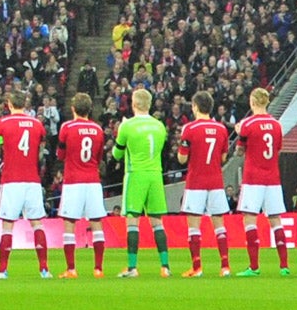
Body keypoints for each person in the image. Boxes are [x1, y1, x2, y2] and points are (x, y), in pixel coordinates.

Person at [0, 86, 49, 280]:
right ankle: (44, 269)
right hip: (32, 180)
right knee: (37, 223)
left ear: (9, 104)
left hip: (11, 180)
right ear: (25, 104)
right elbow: (40, 155)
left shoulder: (1, 124)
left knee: (8, 225)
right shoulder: (37, 125)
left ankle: (2, 270)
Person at [112, 87, 170, 278]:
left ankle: (132, 268)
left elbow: (116, 154)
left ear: (134, 104)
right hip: (155, 175)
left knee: (132, 222)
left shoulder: (128, 126)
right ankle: (165, 267)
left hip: (136, 175)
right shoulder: (159, 126)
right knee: (157, 223)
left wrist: (120, 131)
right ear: (150, 104)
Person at [234, 86, 290, 275]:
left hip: (253, 178)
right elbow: (278, 150)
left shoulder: (248, 124)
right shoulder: (276, 125)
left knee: (250, 219)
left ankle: (254, 267)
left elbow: (239, 151)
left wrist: (239, 132)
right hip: (272, 178)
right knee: (276, 220)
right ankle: (284, 266)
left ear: (252, 102)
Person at [177, 91, 232, 277]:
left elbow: (182, 159)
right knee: (219, 225)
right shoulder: (221, 129)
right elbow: (223, 157)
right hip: (215, 181)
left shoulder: (189, 129)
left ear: (195, 107)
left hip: (196, 182)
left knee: (194, 225)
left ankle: (197, 267)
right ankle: (225, 267)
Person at [56, 93, 108, 278]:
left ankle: (71, 269)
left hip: (73, 181)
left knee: (69, 223)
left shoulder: (67, 127)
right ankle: (98, 269)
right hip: (93, 181)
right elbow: (99, 157)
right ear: (90, 109)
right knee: (96, 222)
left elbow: (60, 155)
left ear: (73, 108)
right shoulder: (98, 129)